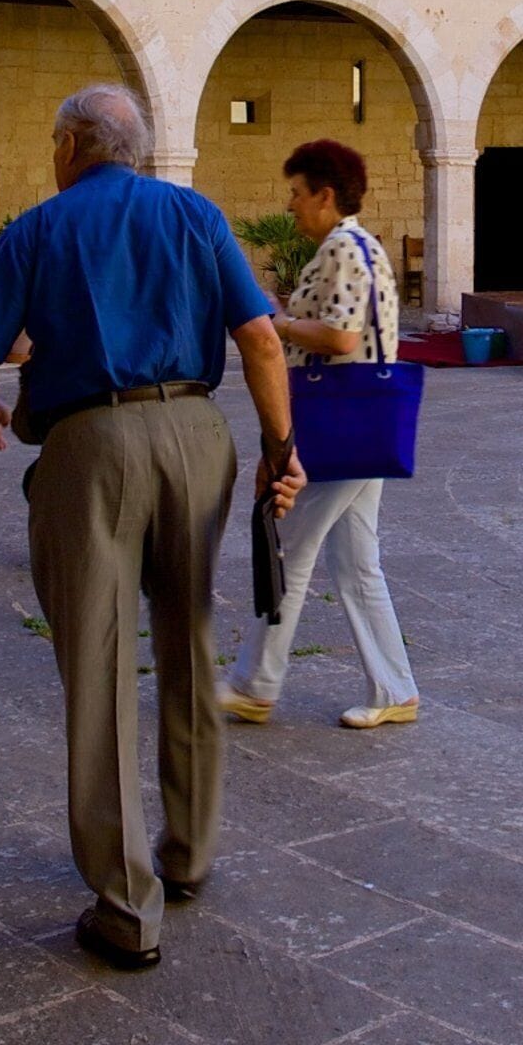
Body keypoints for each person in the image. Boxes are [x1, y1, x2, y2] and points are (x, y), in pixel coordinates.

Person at [0, 85, 301, 974]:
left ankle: (126, 904)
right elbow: (259, 338)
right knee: (189, 638)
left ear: (72, 145)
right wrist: (280, 450)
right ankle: (189, 854)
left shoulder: (38, 229)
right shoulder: (195, 214)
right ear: (136, 148)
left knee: (98, 665)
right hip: (195, 434)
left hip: (91, 444)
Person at [221, 140, 420, 731]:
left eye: (297, 193)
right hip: (363, 422)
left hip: (341, 423)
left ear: (325, 195)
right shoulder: (360, 246)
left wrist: (276, 321)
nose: (291, 205)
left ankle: (254, 684)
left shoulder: (343, 247)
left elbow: (340, 337)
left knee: (291, 547)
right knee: (357, 561)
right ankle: (395, 687)